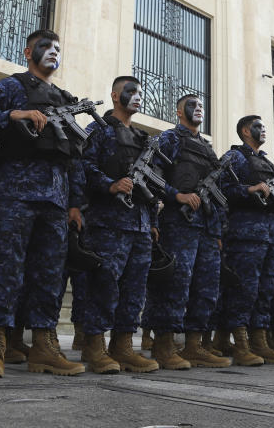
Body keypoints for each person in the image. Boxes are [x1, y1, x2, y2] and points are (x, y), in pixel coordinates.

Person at [0, 30, 85, 378]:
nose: (53, 53)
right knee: (7, 268)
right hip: (17, 193)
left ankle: (44, 345)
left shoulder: (64, 99)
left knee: (50, 276)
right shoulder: (12, 86)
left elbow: (75, 156)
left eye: (58, 48)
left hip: (55, 197)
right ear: (28, 51)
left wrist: (75, 202)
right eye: (46, 47)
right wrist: (16, 115)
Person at [77, 76, 160, 374]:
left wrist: (152, 221)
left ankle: (123, 346)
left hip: (139, 224)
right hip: (108, 223)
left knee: (134, 289)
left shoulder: (142, 138)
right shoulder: (98, 129)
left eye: (140, 93)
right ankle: (94, 345)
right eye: (131, 92)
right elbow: (82, 166)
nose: (137, 97)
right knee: (104, 285)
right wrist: (110, 185)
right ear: (114, 95)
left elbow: (152, 184)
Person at [145, 95, 231, 369]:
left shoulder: (207, 149)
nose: (199, 110)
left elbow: (218, 195)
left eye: (202, 106)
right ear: (179, 111)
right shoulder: (169, 139)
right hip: (179, 224)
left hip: (206, 228)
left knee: (206, 287)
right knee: (175, 285)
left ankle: (194, 345)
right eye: (193, 106)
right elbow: (152, 176)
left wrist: (217, 231)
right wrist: (177, 195)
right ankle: (164, 345)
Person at [218, 115, 274, 366]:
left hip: (270, 236)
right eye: (259, 127)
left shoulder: (266, 162)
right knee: (244, 290)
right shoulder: (235, 157)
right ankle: (240, 345)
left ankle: (259, 342)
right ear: (245, 130)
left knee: (265, 292)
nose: (264, 131)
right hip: (245, 236)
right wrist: (249, 189)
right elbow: (221, 188)